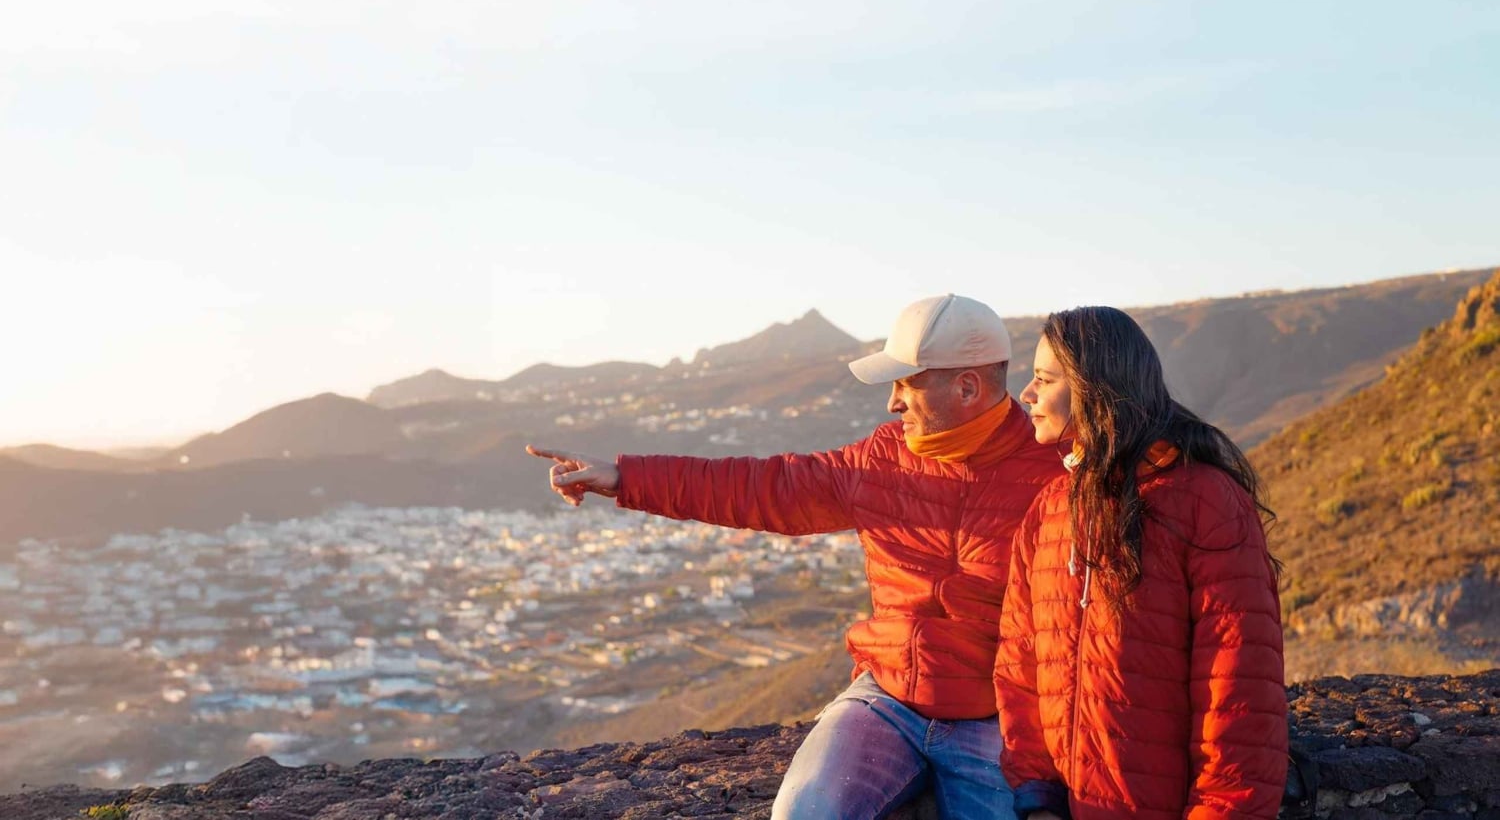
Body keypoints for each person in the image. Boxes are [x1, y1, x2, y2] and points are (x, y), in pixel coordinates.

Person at [528, 294, 1060, 820]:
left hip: (997, 720)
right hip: (887, 698)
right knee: (804, 812)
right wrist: (626, 478)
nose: (892, 403)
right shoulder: (881, 459)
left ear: (967, 386)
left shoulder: (1054, 476)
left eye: (906, 384)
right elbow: (765, 488)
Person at [993, 306, 1286, 820]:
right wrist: (1037, 799)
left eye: (1044, 379)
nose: (1027, 394)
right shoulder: (1050, 510)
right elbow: (1020, 671)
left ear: (1094, 386)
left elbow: (1238, 692)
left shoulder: (1204, 501)